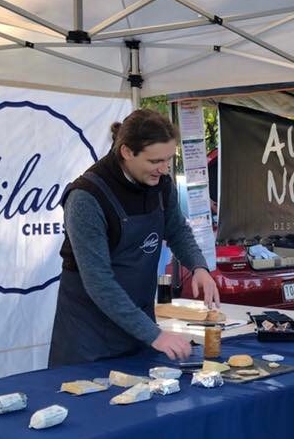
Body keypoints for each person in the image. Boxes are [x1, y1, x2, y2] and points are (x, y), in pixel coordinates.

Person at [49, 109, 219, 367]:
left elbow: (176, 230)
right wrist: (156, 335)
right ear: (127, 152)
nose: (163, 169)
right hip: (89, 337)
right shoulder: (86, 198)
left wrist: (198, 266)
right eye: (154, 161)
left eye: (168, 160)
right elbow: (99, 282)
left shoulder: (161, 184)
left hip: (138, 329)